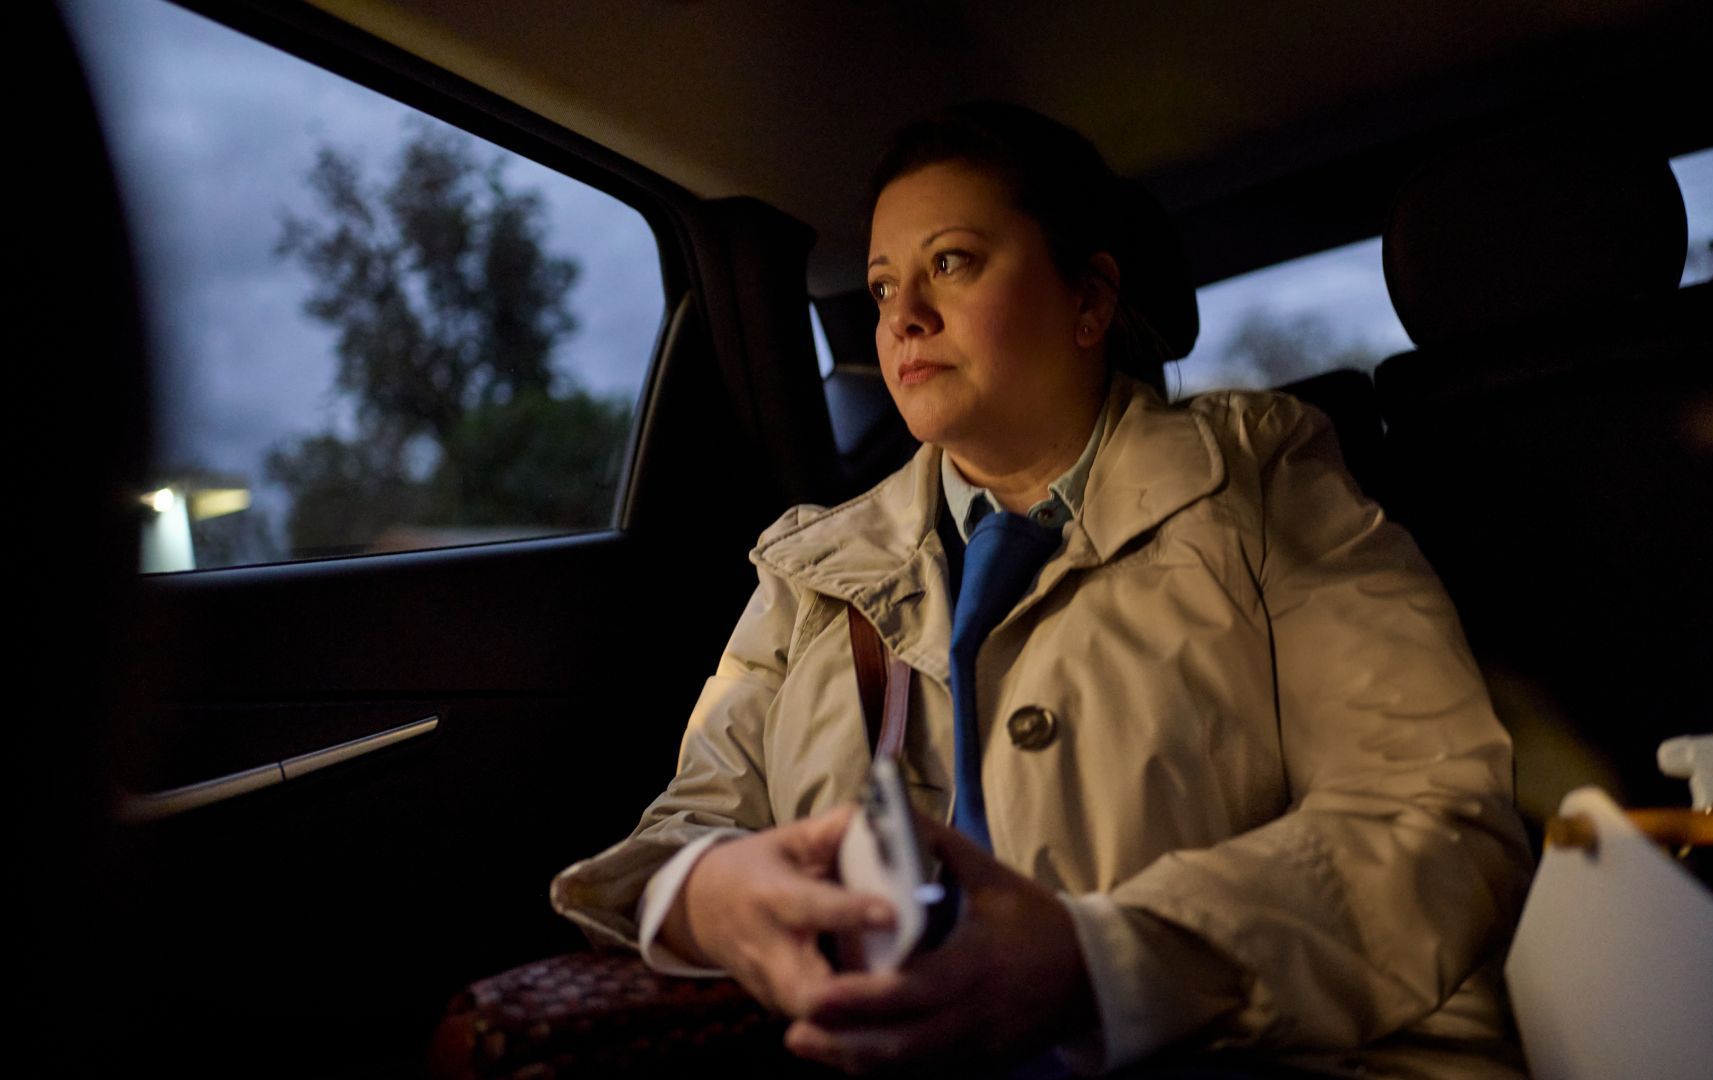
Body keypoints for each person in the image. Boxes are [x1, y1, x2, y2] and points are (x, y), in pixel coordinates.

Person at [551, 102, 1532, 1079]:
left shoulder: (1264, 481)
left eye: (951, 262)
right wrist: (706, 890)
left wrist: (1100, 961)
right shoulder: (807, 569)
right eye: (884, 284)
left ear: (1088, 302)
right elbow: (684, 829)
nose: (902, 315)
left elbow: (1433, 823)